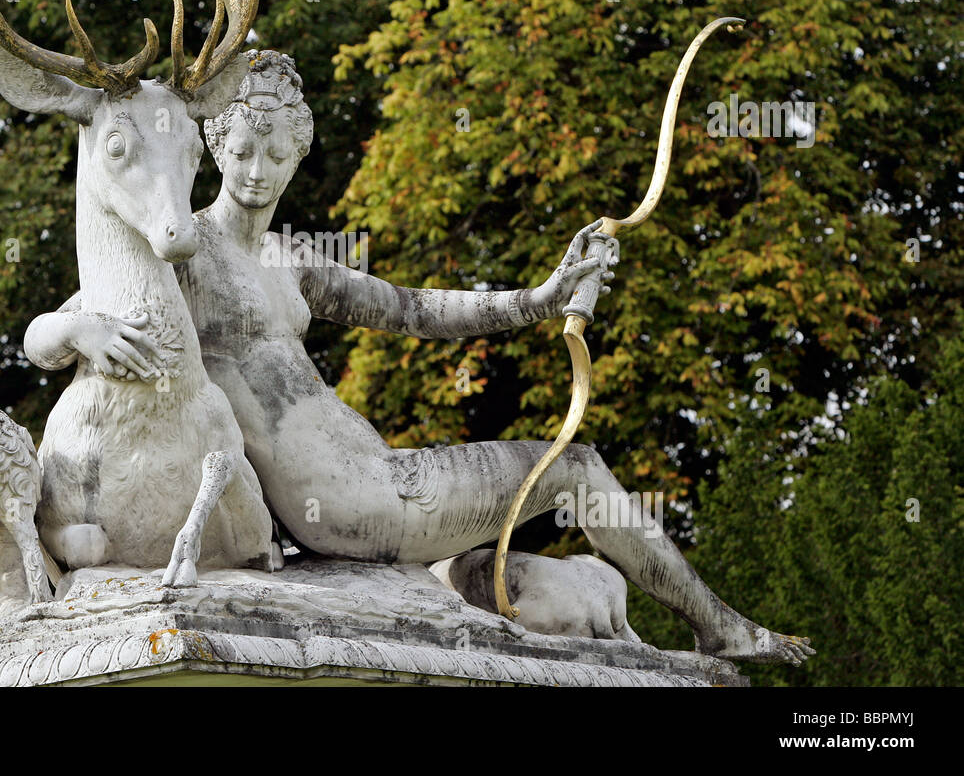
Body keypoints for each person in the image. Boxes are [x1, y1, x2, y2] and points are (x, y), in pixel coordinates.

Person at [165, 50, 813, 665]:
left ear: (296, 157)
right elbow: (109, 302)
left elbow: (414, 310)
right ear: (217, 146)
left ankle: (710, 624)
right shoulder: (184, 252)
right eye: (243, 151)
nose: (256, 171)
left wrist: (543, 296)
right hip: (346, 505)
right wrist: (68, 333)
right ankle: (718, 628)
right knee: (576, 469)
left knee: (570, 473)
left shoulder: (290, 259)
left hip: (384, 473)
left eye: (274, 154)